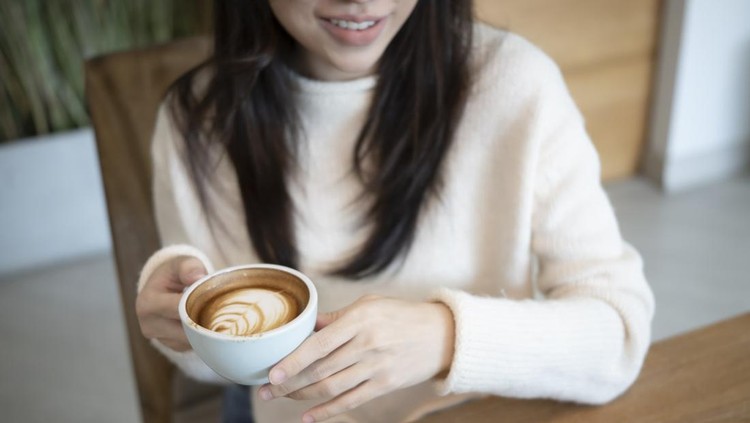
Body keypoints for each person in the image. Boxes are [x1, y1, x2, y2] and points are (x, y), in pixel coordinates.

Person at [135, 1, 655, 422]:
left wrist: (446, 338)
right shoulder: (197, 120)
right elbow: (218, 362)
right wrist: (178, 323)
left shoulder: (517, 86)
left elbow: (619, 335)